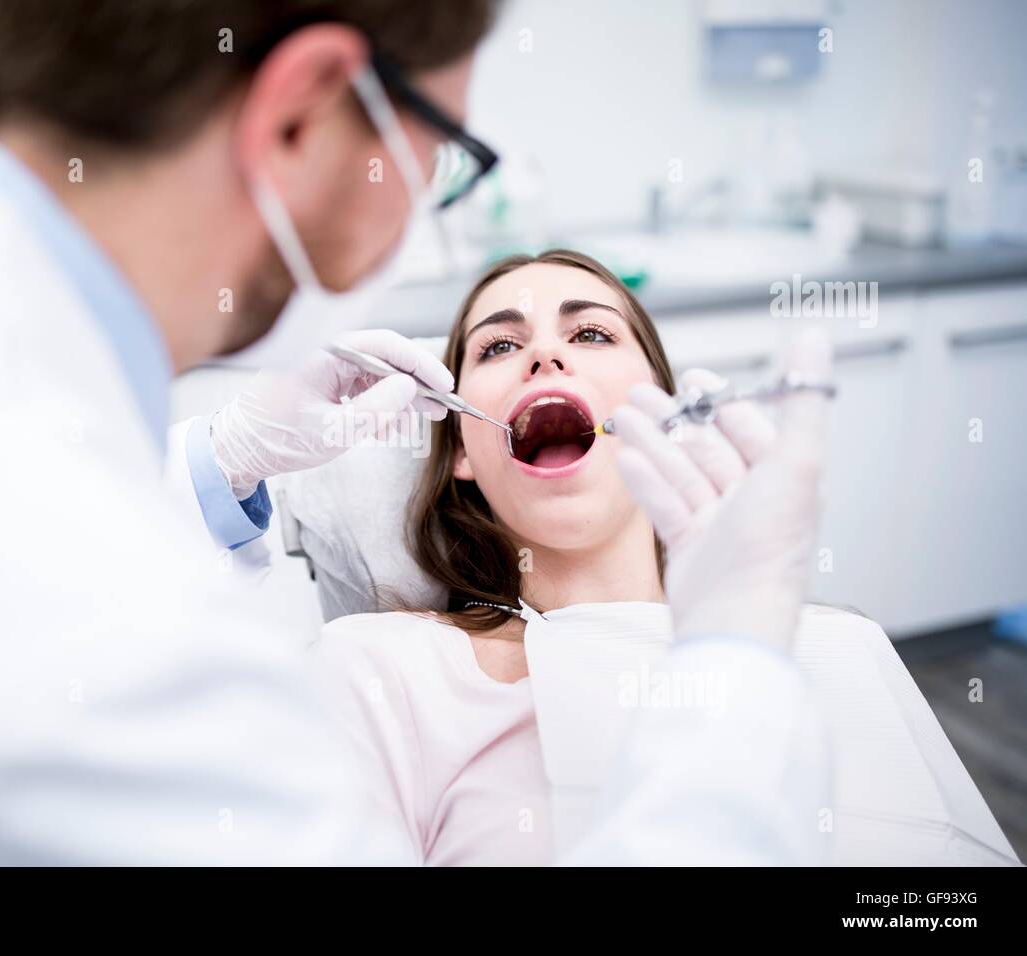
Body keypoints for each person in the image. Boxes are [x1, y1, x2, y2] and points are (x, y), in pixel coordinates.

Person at [0, 0, 826, 864]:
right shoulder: (143, 659)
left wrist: (221, 459)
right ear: (300, 111)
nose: (540, 356)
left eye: (590, 330)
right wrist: (732, 656)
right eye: (440, 152)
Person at [275, 250, 1017, 866]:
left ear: (660, 406)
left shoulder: (839, 645)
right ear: (462, 450)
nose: (545, 353)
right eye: (499, 346)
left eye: (593, 334)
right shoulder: (379, 670)